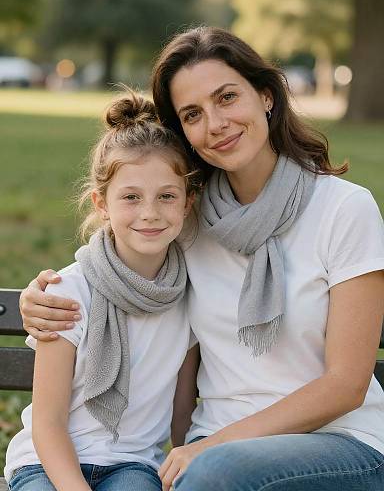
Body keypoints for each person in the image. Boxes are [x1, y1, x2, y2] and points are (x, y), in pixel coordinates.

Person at [20, 27, 384, 490]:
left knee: (214, 473)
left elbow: (347, 385)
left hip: (337, 444)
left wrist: (215, 446)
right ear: (183, 133)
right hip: (209, 449)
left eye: (227, 97)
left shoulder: (343, 209)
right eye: (193, 114)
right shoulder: (187, 220)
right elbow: (118, 263)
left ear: (267, 96)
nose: (215, 124)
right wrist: (41, 298)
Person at [5, 89, 200, 491]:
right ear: (101, 203)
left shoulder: (189, 296)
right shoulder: (70, 291)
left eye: (166, 196)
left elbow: (183, 413)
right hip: (45, 464)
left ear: (187, 204)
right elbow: (48, 423)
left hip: (132, 465)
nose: (149, 212)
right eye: (131, 197)